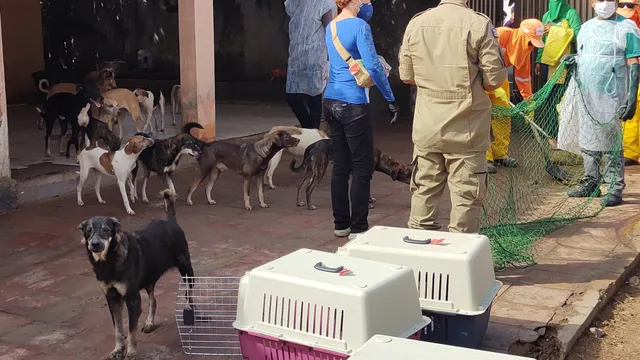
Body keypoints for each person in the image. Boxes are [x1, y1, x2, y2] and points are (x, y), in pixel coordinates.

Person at [399, 0, 507, 234]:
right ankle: (458, 261)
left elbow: (406, 75)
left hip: (427, 127)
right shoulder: (478, 24)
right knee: (466, 200)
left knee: (423, 192)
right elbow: (494, 80)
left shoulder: (417, 23)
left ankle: (419, 256)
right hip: (466, 128)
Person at [324, 0, 398, 239]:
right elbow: (374, 67)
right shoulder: (359, 26)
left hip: (330, 101)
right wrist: (390, 97)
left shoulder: (331, 26)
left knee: (340, 166)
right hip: (354, 103)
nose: (369, 2)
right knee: (362, 166)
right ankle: (358, 227)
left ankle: (340, 224)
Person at [562, 0, 640, 207]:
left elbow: (633, 62)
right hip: (586, 90)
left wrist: (631, 98)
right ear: (591, 2)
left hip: (611, 93)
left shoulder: (627, 27)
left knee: (611, 140)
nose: (604, 3)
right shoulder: (587, 28)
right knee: (588, 136)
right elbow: (585, 54)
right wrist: (574, 59)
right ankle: (591, 182)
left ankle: (614, 187)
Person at [486, 19, 546, 174]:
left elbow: (523, 78)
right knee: (482, 116)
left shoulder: (524, 51)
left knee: (504, 115)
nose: (531, 47)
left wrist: (529, 102)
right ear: (522, 35)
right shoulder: (500, 35)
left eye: (534, 44)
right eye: (530, 43)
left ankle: (500, 155)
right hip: (482, 77)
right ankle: (484, 158)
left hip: (500, 77)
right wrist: (491, 85)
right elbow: (479, 58)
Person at [284, 0, 336, 129]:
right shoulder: (292, 2)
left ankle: (313, 132)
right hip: (296, 54)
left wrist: (331, 58)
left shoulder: (323, 3)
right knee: (291, 96)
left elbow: (330, 30)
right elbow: (286, 24)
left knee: (314, 96)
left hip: (316, 55)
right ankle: (310, 129)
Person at [618, 0, 640, 166]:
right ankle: (631, 152)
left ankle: (631, 152)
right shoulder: (619, 23)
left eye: (630, 6)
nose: (626, 9)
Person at [535, 0, 581, 78]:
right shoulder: (546, 16)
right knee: (548, 89)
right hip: (547, 62)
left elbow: (577, 36)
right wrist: (539, 60)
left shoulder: (571, 14)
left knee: (562, 89)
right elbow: (541, 39)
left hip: (564, 62)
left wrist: (554, 29)